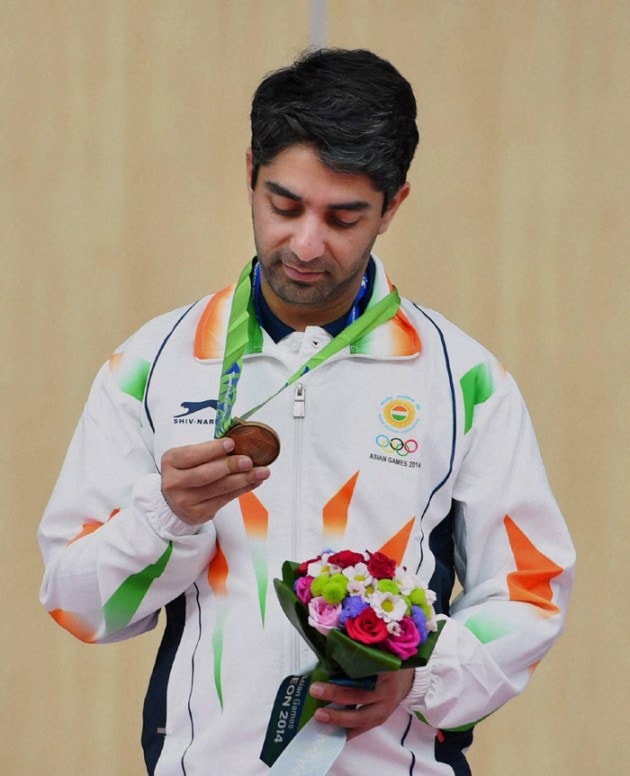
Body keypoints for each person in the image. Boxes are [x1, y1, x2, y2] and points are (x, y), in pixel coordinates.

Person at [38, 48, 575, 775]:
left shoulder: (467, 382)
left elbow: (530, 592)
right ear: (250, 172)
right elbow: (79, 606)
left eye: (344, 217)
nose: (305, 244)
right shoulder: (152, 365)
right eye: (284, 206)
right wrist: (164, 516)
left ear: (393, 205)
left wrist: (421, 673)